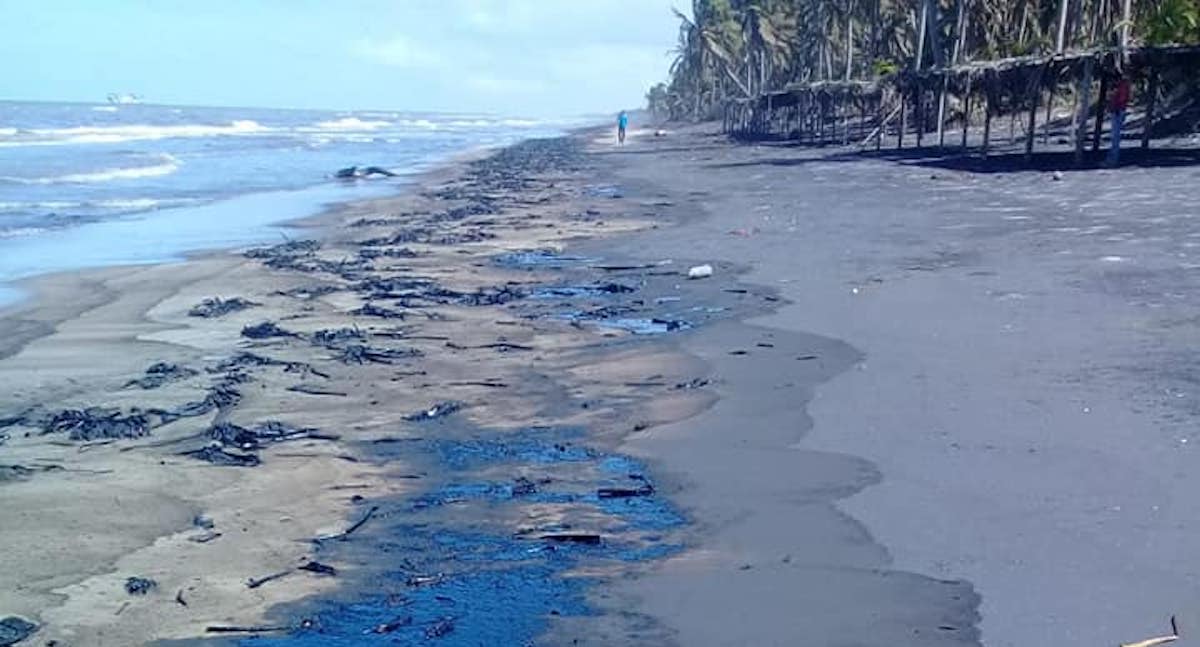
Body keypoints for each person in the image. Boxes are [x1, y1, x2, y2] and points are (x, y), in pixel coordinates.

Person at [1107, 73, 1132, 165]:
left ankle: (1114, 158)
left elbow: (1121, 99)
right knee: (1114, 135)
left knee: (1115, 135)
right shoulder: (1122, 86)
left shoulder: (1121, 86)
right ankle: (1112, 156)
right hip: (1118, 110)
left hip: (1118, 111)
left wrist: (1116, 108)